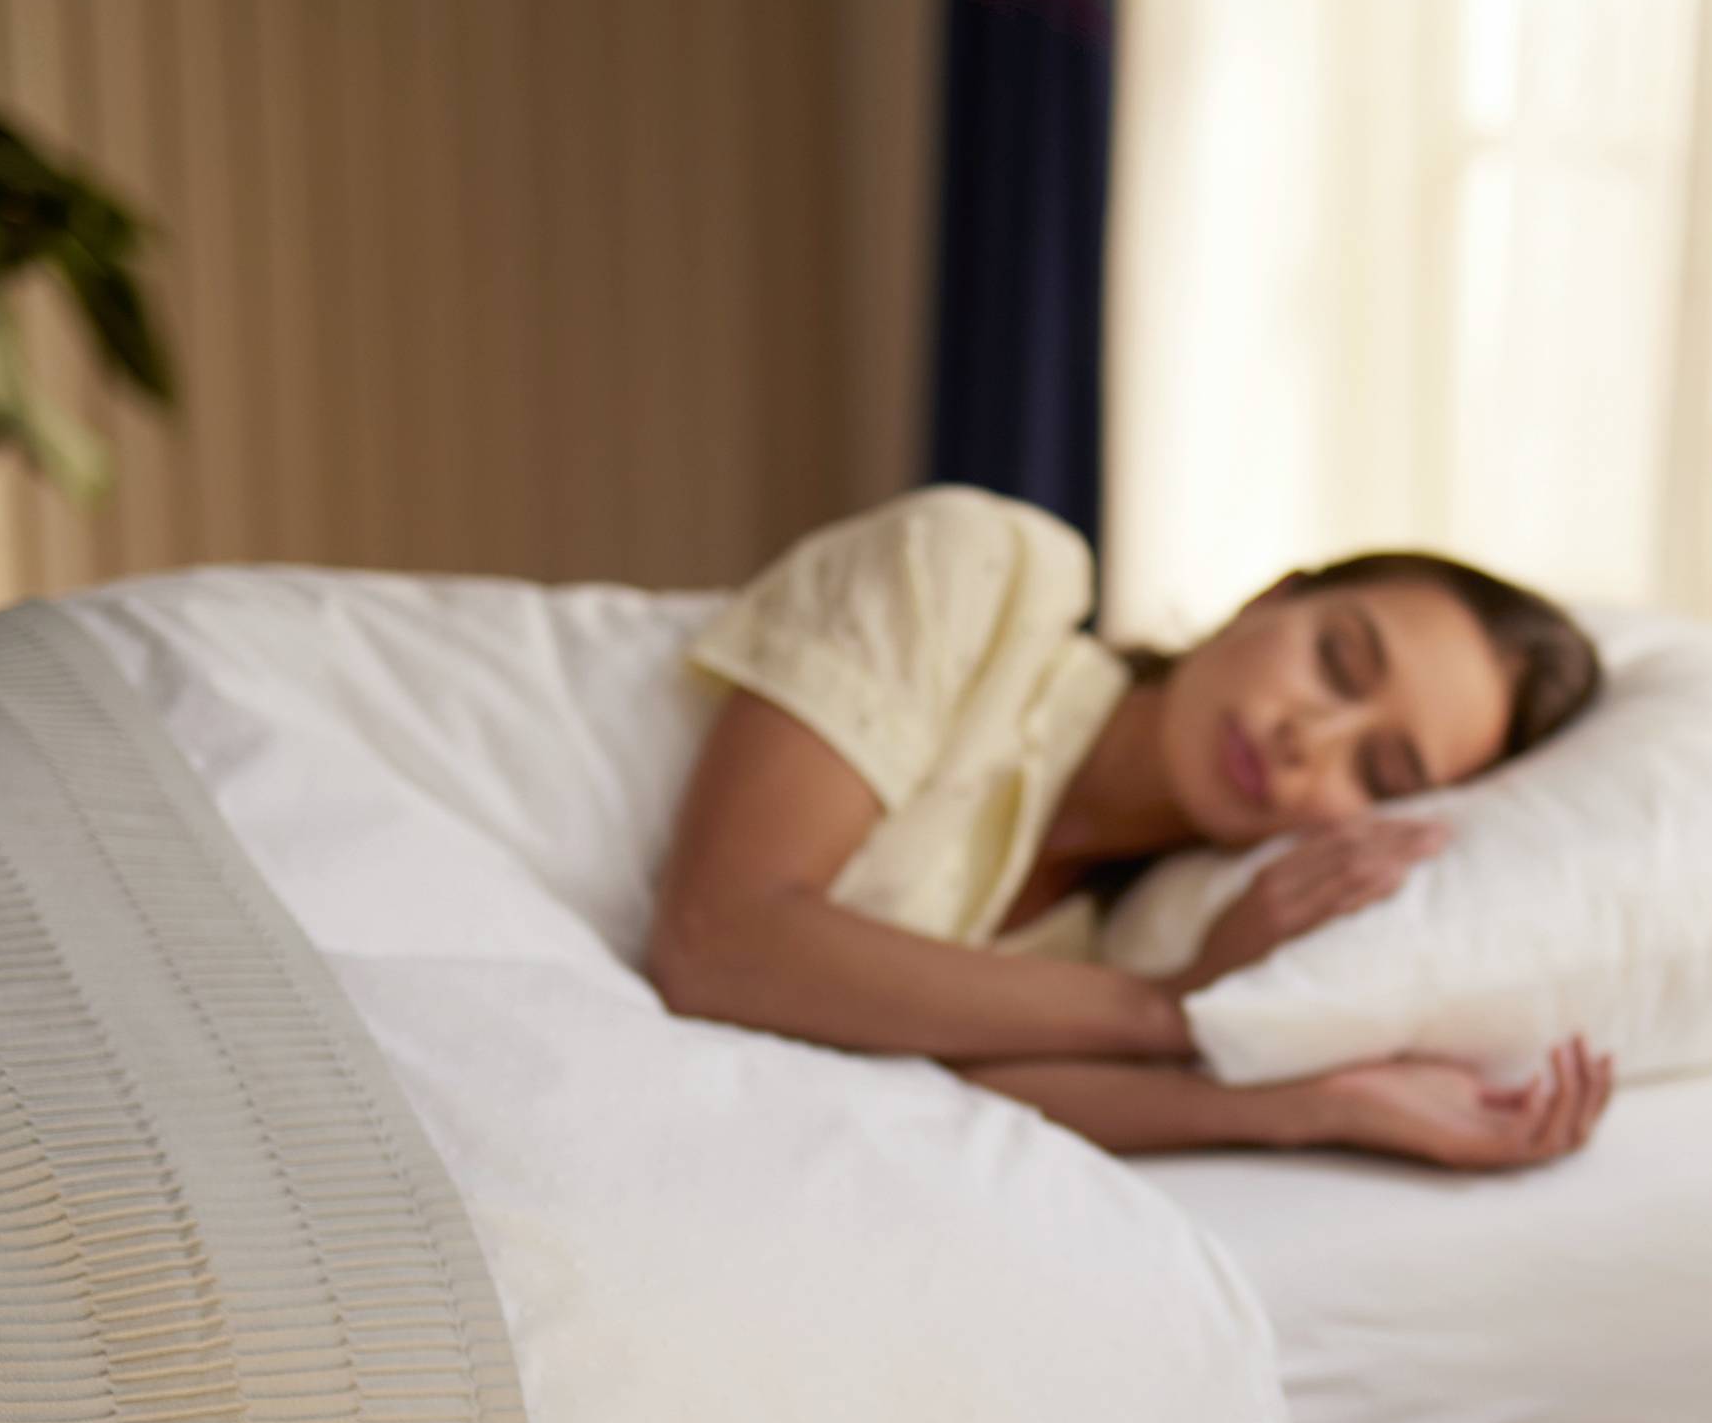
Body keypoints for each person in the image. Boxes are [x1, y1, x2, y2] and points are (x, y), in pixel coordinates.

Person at [650, 486, 1616, 1166]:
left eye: (1379, 770)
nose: (1305, 740)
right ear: (1273, 596)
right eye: (1337, 661)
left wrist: (1322, 1107)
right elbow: (720, 940)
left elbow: (951, 1084)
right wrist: (1162, 1007)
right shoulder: (979, 573)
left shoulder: (1129, 930)